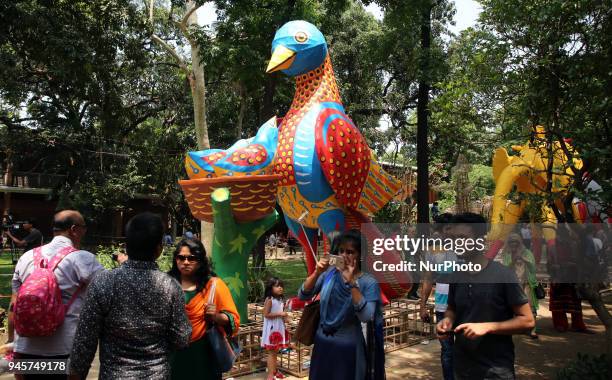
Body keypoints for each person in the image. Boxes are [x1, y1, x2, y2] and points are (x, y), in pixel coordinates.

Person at [68, 212, 192, 379]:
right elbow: (182, 338)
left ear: (126, 247)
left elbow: (84, 342)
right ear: (159, 249)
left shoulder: (104, 282)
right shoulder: (170, 287)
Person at [436, 213, 535, 380]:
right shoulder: (456, 275)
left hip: (495, 370)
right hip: (462, 368)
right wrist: (447, 320)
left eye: (462, 238)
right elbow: (452, 308)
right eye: (453, 238)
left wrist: (487, 327)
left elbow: (527, 321)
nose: (456, 243)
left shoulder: (503, 275)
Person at [9, 210, 104, 380]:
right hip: (64, 350)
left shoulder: (26, 258)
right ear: (74, 229)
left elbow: (13, 307)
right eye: (84, 228)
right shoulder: (83, 259)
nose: (84, 232)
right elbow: (106, 294)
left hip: (25, 348)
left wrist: (14, 347)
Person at [299, 230, 385, 380]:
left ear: (360, 255)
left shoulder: (368, 282)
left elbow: (366, 316)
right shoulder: (329, 274)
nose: (344, 255)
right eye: (341, 250)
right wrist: (317, 273)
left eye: (350, 252)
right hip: (322, 345)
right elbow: (303, 295)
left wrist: (352, 283)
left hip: (348, 348)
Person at [168, 239, 240, 380]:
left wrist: (216, 317)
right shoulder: (165, 283)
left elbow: (234, 319)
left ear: (200, 260)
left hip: (204, 353)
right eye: (181, 257)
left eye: (192, 258)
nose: (186, 262)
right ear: (176, 259)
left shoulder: (214, 285)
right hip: (172, 353)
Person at [420, 213, 456, 380]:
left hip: (464, 305)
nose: (447, 233)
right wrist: (422, 305)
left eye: (450, 229)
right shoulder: (432, 249)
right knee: (447, 350)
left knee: (466, 348)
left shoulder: (465, 247)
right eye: (444, 230)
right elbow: (427, 278)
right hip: (442, 306)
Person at [502, 233, 539, 339]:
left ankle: (532, 330)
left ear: (519, 242)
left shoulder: (527, 253)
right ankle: (516, 327)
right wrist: (513, 261)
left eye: (515, 242)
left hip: (526, 283)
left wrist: (524, 259)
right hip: (513, 285)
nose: (513, 244)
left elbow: (533, 268)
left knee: (530, 306)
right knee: (512, 307)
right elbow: (505, 269)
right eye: (511, 242)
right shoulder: (507, 254)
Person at [262, 277, 290, 380]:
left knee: (275, 351)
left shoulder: (280, 300)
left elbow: (281, 313)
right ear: (271, 288)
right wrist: (280, 313)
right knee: (271, 352)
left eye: (281, 286)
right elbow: (266, 314)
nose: (280, 288)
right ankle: (270, 374)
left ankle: (274, 371)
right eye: (277, 286)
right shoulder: (270, 300)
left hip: (278, 327)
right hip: (272, 329)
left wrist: (285, 317)